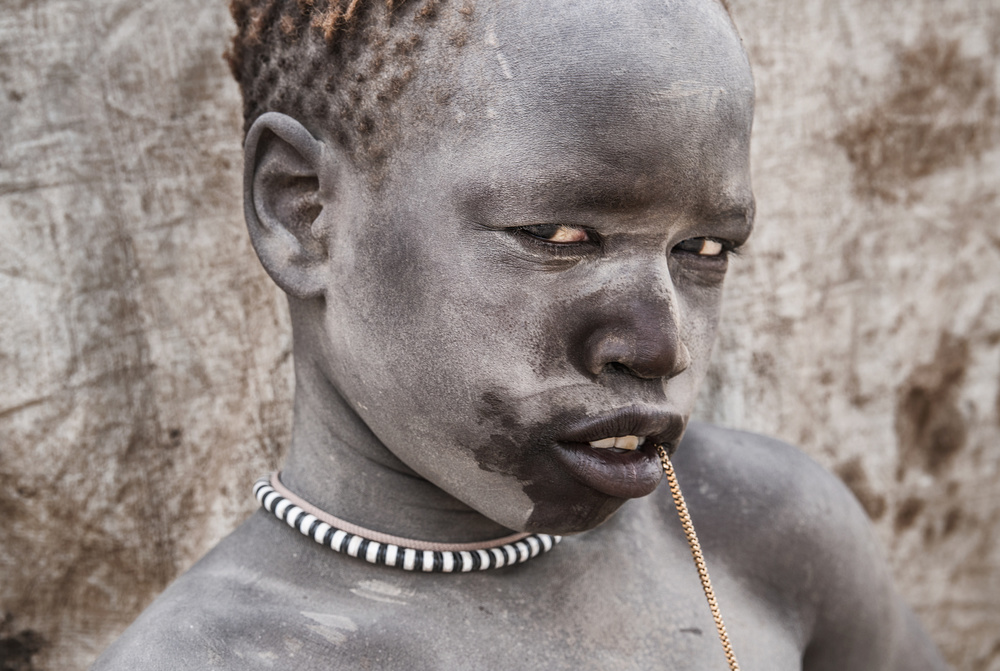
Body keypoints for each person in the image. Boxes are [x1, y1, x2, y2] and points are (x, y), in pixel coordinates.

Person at [92, 0, 948, 668]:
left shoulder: (768, 536)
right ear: (303, 212)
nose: (662, 346)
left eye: (705, 249)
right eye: (562, 239)